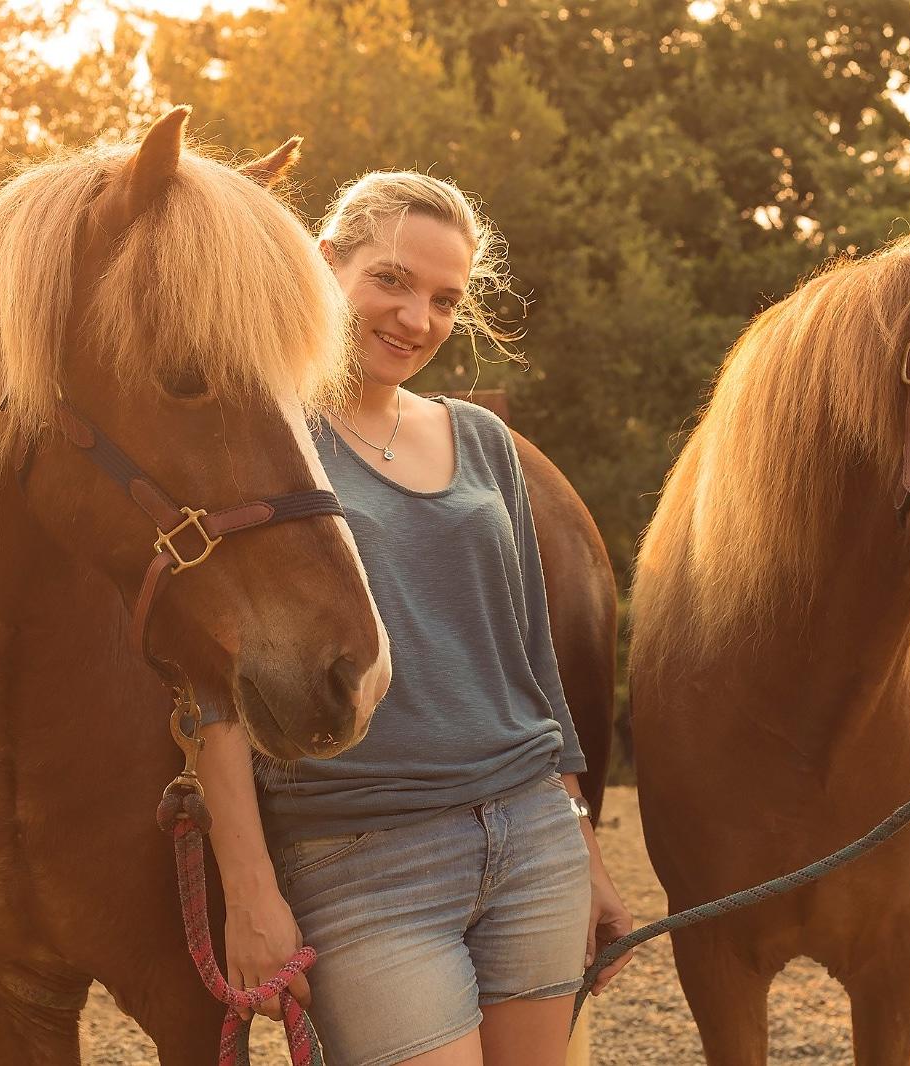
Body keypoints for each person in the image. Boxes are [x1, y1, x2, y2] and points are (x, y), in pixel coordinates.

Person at [197, 170, 633, 1066]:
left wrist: (581, 846)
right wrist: (247, 886)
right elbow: (212, 683)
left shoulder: (480, 439)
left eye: (444, 299)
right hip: (360, 858)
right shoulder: (260, 442)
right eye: (390, 281)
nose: (416, 319)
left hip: (531, 842)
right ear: (324, 267)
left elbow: (530, 664)